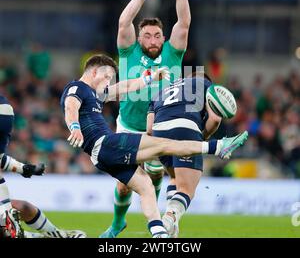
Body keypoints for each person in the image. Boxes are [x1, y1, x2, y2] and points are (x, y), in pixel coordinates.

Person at [60, 54, 248, 238]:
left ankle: (159, 236)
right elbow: (71, 106)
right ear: (94, 72)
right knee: (164, 145)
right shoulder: (78, 87)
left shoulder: (97, 93)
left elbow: (125, 86)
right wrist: (75, 126)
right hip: (106, 143)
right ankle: (217, 147)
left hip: (101, 155)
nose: (110, 81)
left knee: (146, 187)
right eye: (107, 76)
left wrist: (149, 78)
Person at [102, 0, 193, 238]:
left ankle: (156, 219)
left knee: (154, 177)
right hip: (128, 124)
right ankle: (118, 223)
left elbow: (184, 22)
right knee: (123, 185)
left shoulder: (173, 52)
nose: (152, 40)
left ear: (163, 37)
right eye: (147, 36)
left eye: (156, 35)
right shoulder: (129, 52)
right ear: (139, 38)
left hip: (162, 126)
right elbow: (123, 21)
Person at [147, 74, 234, 237]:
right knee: (187, 188)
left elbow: (149, 129)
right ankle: (168, 219)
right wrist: (200, 140)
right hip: (185, 127)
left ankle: (173, 227)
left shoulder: (161, 91)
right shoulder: (205, 84)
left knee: (175, 178)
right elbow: (215, 119)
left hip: (159, 132)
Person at [0, 94, 85, 238]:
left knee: (19, 210)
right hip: (5, 110)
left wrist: (23, 168)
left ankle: (56, 235)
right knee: (15, 214)